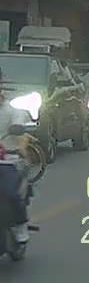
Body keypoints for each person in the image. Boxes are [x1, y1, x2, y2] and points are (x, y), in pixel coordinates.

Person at [0, 73, 30, 244]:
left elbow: (22, 134)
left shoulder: (12, 110)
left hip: (7, 162)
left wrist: (20, 147)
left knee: (11, 194)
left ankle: (20, 225)